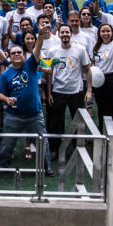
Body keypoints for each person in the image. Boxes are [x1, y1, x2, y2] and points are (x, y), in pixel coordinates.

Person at [0, 28, 51, 174]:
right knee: (7, 143)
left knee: (42, 142)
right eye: (13, 53)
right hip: (14, 115)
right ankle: (3, 167)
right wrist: (6, 99)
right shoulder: (6, 74)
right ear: (9, 57)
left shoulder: (31, 65)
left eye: (19, 52)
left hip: (35, 114)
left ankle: (46, 168)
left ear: (23, 55)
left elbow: (37, 48)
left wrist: (40, 35)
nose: (17, 55)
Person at [45, 25, 92, 158]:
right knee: (55, 122)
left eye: (67, 32)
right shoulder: (52, 51)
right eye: (62, 32)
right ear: (59, 34)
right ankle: (54, 147)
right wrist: (48, 92)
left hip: (76, 92)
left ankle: (78, 148)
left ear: (71, 34)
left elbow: (87, 69)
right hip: (58, 91)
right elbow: (49, 72)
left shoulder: (80, 49)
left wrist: (89, 90)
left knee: (77, 122)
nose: (65, 34)